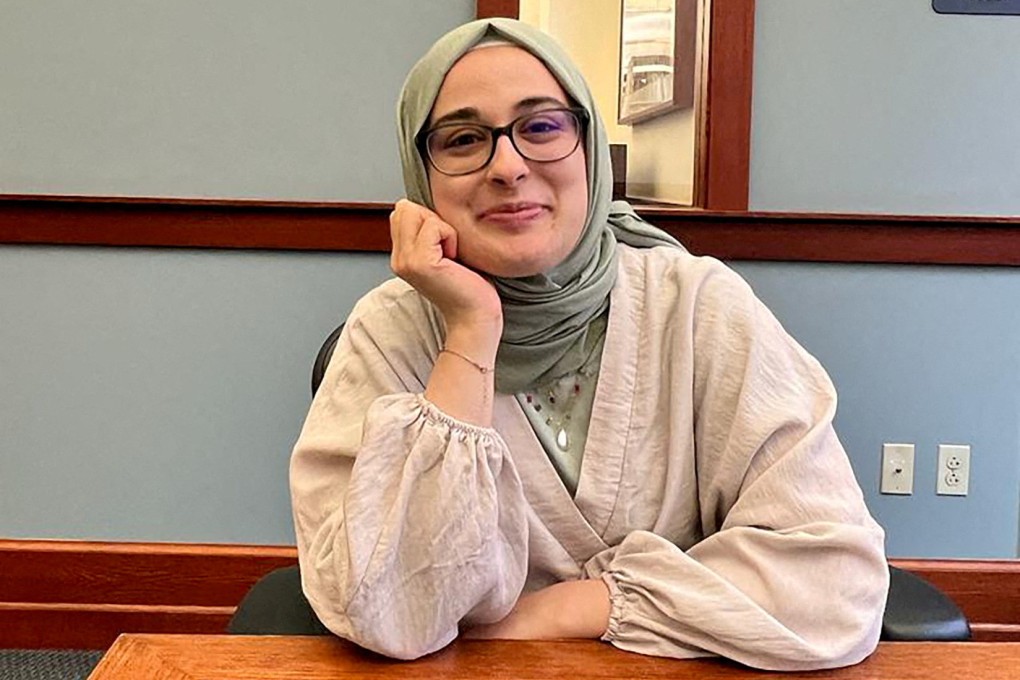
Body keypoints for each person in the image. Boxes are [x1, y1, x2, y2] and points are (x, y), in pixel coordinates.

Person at [289, 17, 889, 671]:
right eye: (463, 139)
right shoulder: (387, 336)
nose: (509, 167)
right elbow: (391, 612)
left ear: (589, 147)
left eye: (541, 127)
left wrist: (581, 607)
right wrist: (470, 331)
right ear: (421, 175)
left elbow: (836, 580)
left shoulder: (695, 307)